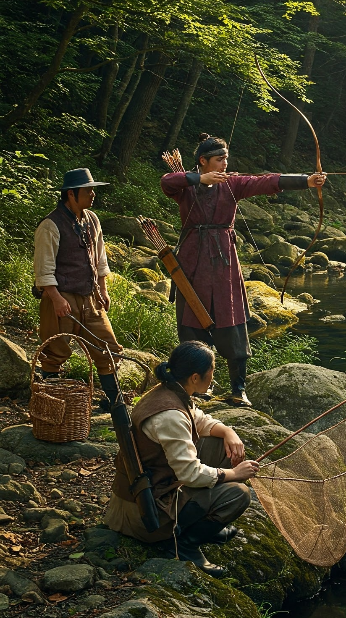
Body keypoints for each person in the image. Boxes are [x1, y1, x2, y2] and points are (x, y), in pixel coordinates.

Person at [161, 133, 326, 407]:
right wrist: (198, 179)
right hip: (192, 261)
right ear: (202, 161)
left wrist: (307, 181)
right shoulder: (186, 185)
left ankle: (239, 389)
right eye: (219, 159)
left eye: (226, 158)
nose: (225, 163)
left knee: (231, 317)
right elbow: (167, 182)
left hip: (224, 261)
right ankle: (198, 387)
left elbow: (266, 181)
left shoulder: (232, 183)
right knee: (193, 317)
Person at [105, 341, 260, 577]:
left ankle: (204, 524)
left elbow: (199, 420)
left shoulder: (170, 390)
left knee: (223, 446)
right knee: (238, 494)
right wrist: (233, 475)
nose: (214, 378)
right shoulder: (169, 415)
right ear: (196, 377)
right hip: (144, 515)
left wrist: (229, 431)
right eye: (212, 372)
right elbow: (190, 474)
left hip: (155, 487)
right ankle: (184, 544)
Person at [33, 168, 123, 376]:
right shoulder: (50, 225)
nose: (93, 194)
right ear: (71, 194)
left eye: (93, 190)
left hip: (89, 297)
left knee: (108, 351)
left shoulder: (92, 220)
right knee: (54, 353)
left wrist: (103, 289)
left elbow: (100, 258)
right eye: (87, 190)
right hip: (61, 297)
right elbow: (44, 268)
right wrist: (56, 299)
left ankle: (116, 407)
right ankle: (50, 403)